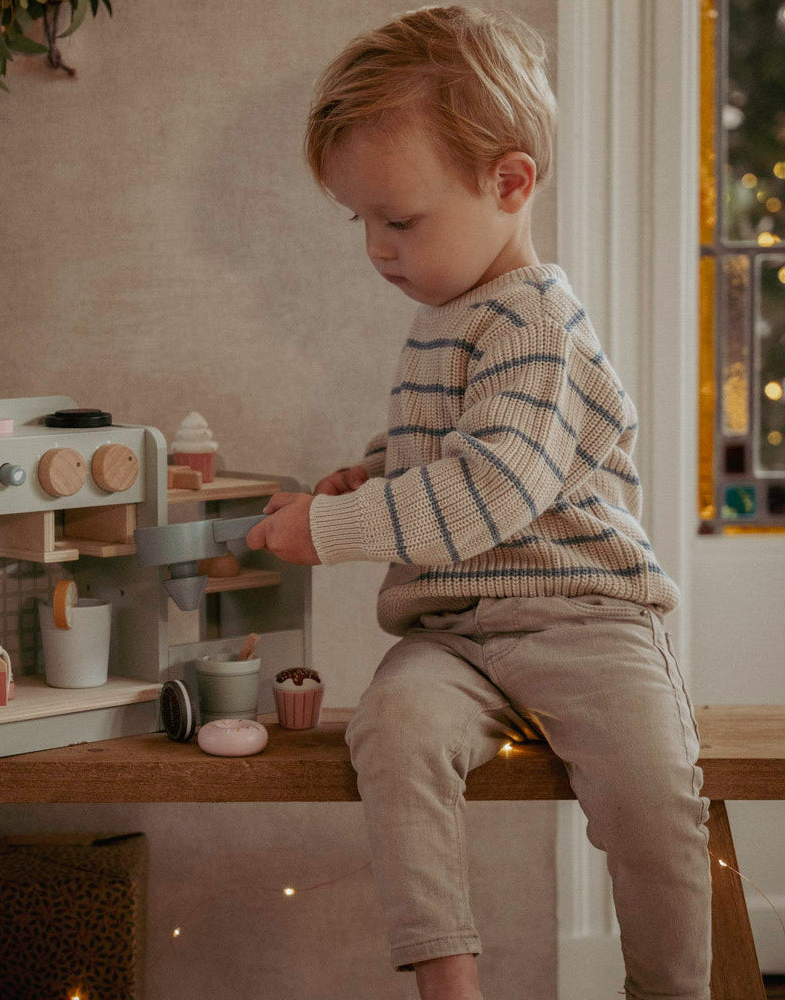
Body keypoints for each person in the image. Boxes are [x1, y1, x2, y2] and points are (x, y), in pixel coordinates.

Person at [246, 6, 711, 1000]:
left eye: (399, 220)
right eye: (362, 221)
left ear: (509, 184)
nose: (377, 249)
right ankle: (448, 979)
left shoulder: (536, 322)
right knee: (392, 729)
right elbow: (449, 443)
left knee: (653, 794)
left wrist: (329, 530)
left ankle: (670, 987)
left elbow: (492, 485)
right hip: (456, 632)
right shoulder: (445, 315)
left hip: (583, 618)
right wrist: (373, 471)